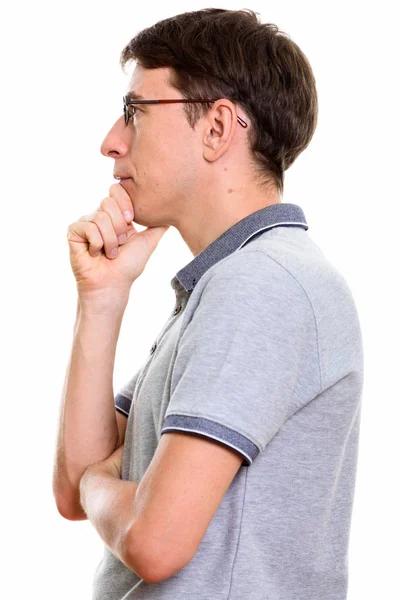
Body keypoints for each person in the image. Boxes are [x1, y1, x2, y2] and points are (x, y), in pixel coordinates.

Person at [52, 8, 364, 600]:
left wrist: (100, 485)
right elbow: (73, 487)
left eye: (134, 112)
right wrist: (103, 297)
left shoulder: (263, 285)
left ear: (218, 128)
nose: (111, 142)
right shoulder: (229, 285)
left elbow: (154, 541)